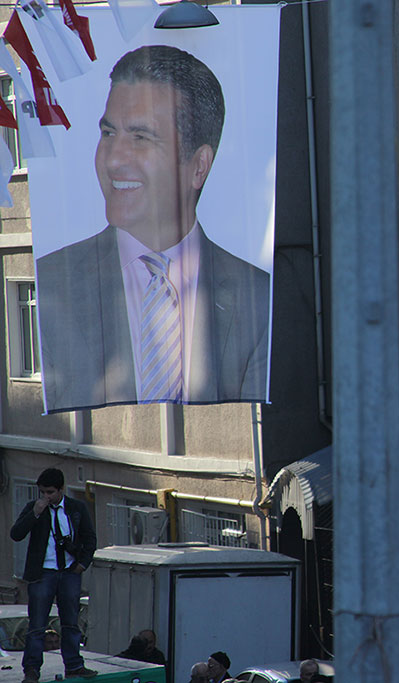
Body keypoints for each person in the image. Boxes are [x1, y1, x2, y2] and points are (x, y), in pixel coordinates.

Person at [36, 44, 270, 413]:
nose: (113, 159)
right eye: (109, 133)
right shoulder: (50, 283)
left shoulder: (258, 298)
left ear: (199, 166)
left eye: (141, 138)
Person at [10, 468, 97, 683]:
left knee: (70, 622)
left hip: (68, 572)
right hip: (43, 573)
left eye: (50, 492)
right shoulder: (35, 508)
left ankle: (74, 666)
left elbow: (89, 537)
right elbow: (16, 533)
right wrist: (35, 513)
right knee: (37, 624)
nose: (46, 497)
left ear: (60, 490)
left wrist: (82, 564)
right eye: (42, 493)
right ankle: (32, 670)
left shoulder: (76, 508)